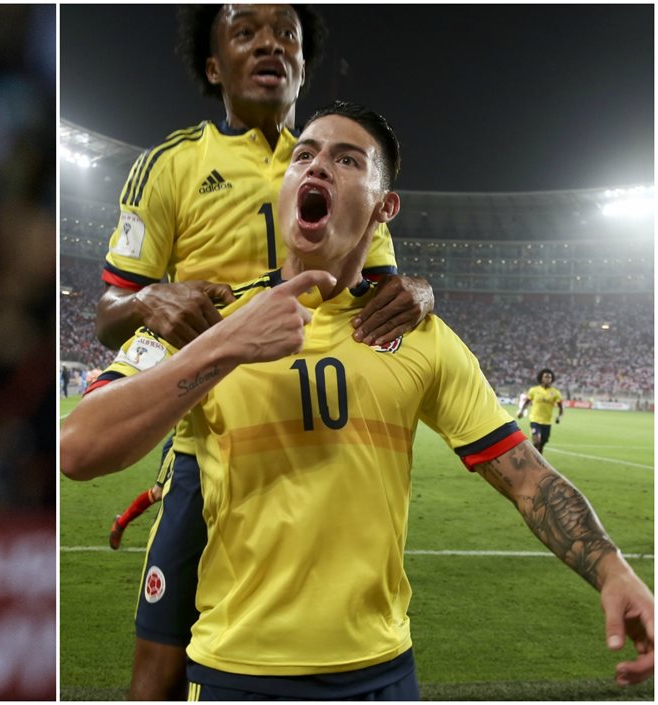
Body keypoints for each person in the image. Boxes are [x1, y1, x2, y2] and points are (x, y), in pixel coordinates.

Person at [62, 101, 654, 699]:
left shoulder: (422, 338)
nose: (317, 168)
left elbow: (528, 478)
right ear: (285, 187)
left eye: (346, 160)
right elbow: (78, 447)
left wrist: (612, 570)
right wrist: (223, 346)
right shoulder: (205, 318)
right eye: (304, 156)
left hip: (382, 674)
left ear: (383, 207)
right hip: (237, 673)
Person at [90, 5, 434, 698]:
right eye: (245, 31)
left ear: (304, 63)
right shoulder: (170, 166)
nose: (270, 43)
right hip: (208, 441)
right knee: (157, 666)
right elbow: (107, 312)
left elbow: (385, 288)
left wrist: (420, 290)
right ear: (213, 65)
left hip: (324, 434)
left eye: (287, 34)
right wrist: (147, 300)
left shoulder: (344, 165)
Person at [518, 367, 564, 454]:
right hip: (535, 420)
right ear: (541, 378)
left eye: (549, 377)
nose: (547, 379)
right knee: (536, 441)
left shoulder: (555, 392)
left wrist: (559, 417)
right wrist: (521, 411)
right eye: (545, 377)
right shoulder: (534, 390)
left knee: (542, 444)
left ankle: (538, 461)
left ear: (552, 379)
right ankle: (533, 460)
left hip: (547, 422)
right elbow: (527, 402)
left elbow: (561, 407)